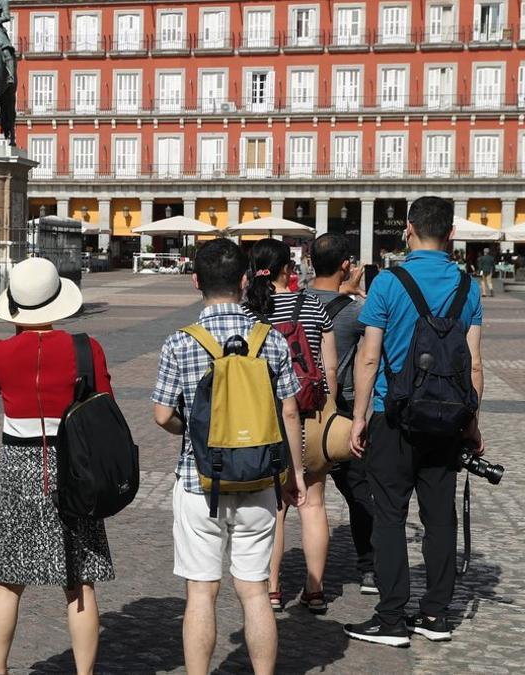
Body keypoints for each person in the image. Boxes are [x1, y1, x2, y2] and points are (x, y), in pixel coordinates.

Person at [151, 239, 305, 675]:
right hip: (259, 479)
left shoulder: (180, 342)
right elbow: (290, 410)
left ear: (195, 281)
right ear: (244, 280)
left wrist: (195, 432)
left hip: (198, 480)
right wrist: (293, 474)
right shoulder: (270, 339)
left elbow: (162, 415)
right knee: (255, 590)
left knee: (201, 591)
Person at [345, 196, 485, 647]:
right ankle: (437, 615)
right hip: (446, 420)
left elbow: (369, 357)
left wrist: (360, 417)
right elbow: (475, 364)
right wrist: (472, 423)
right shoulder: (470, 287)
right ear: (451, 234)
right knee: (440, 517)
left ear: (408, 229)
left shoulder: (388, 282)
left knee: (388, 514)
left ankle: (390, 619)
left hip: (393, 414)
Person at [0, 256, 113, 675]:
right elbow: (104, 400)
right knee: (79, 580)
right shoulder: (86, 348)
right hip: (74, 465)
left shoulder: (0, 352)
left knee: (7, 577)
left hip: (19, 467)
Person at [242, 238, 338, 613]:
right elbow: (328, 368)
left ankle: (272, 588)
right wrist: (328, 409)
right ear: (288, 269)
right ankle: (314, 590)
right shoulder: (314, 306)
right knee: (313, 503)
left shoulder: (250, 313)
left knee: (276, 507)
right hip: (311, 415)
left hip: (266, 419)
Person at [306, 233, 377, 596]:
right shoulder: (353, 311)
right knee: (359, 489)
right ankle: (369, 567)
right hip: (341, 411)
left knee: (293, 495)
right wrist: (359, 292)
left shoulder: (294, 302)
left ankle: (272, 580)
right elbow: (380, 340)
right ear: (346, 266)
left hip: (297, 410)